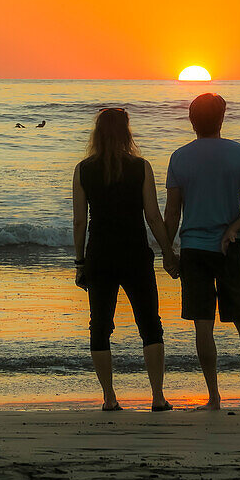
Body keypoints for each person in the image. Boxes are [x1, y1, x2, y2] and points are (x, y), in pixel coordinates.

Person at [164, 93, 240, 411]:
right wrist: (234, 227)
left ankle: (214, 397)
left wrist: (166, 251)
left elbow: (172, 213)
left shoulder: (179, 157)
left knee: (203, 323)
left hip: (193, 250)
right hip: (230, 249)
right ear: (221, 119)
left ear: (192, 121)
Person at [72, 108, 178, 411]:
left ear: (97, 134)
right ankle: (157, 396)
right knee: (150, 324)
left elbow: (80, 222)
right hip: (135, 254)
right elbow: (154, 217)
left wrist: (80, 262)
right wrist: (169, 253)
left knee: (100, 325)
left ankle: (109, 398)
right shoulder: (141, 167)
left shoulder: (83, 169)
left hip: (100, 255)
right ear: (126, 133)